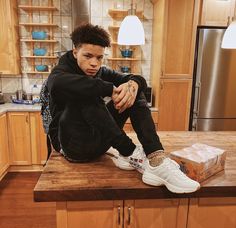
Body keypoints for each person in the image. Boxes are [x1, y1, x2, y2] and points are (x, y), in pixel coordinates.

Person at [47, 23, 200, 194]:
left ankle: (155, 157)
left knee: (132, 91)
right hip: (72, 148)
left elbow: (136, 78)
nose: (94, 64)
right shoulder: (61, 72)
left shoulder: (97, 71)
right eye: (88, 56)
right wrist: (109, 89)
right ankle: (130, 152)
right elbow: (56, 84)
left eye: (99, 58)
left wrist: (133, 85)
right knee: (85, 94)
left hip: (99, 143)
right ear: (75, 52)